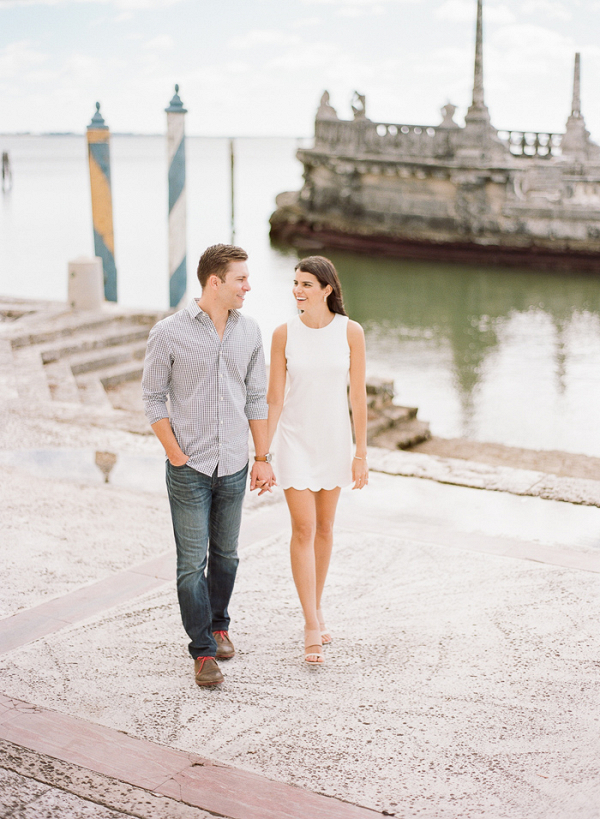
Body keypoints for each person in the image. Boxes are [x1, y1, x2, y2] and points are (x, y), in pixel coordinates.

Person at [142, 244, 275, 687]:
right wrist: (176, 454)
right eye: (240, 279)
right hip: (190, 468)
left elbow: (257, 397)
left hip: (236, 463)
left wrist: (261, 457)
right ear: (214, 282)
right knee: (189, 565)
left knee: (227, 557)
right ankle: (202, 651)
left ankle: (219, 625)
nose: (248, 286)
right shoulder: (168, 333)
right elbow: (151, 398)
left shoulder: (249, 332)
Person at [266, 256, 368, 665]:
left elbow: (357, 398)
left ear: (327, 289)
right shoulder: (282, 334)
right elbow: (274, 399)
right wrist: (262, 454)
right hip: (293, 441)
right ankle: (311, 625)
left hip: (333, 442)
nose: (297, 290)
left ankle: (317, 607)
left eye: (306, 284)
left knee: (325, 528)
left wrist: (361, 452)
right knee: (304, 527)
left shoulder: (351, 332)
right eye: (295, 283)